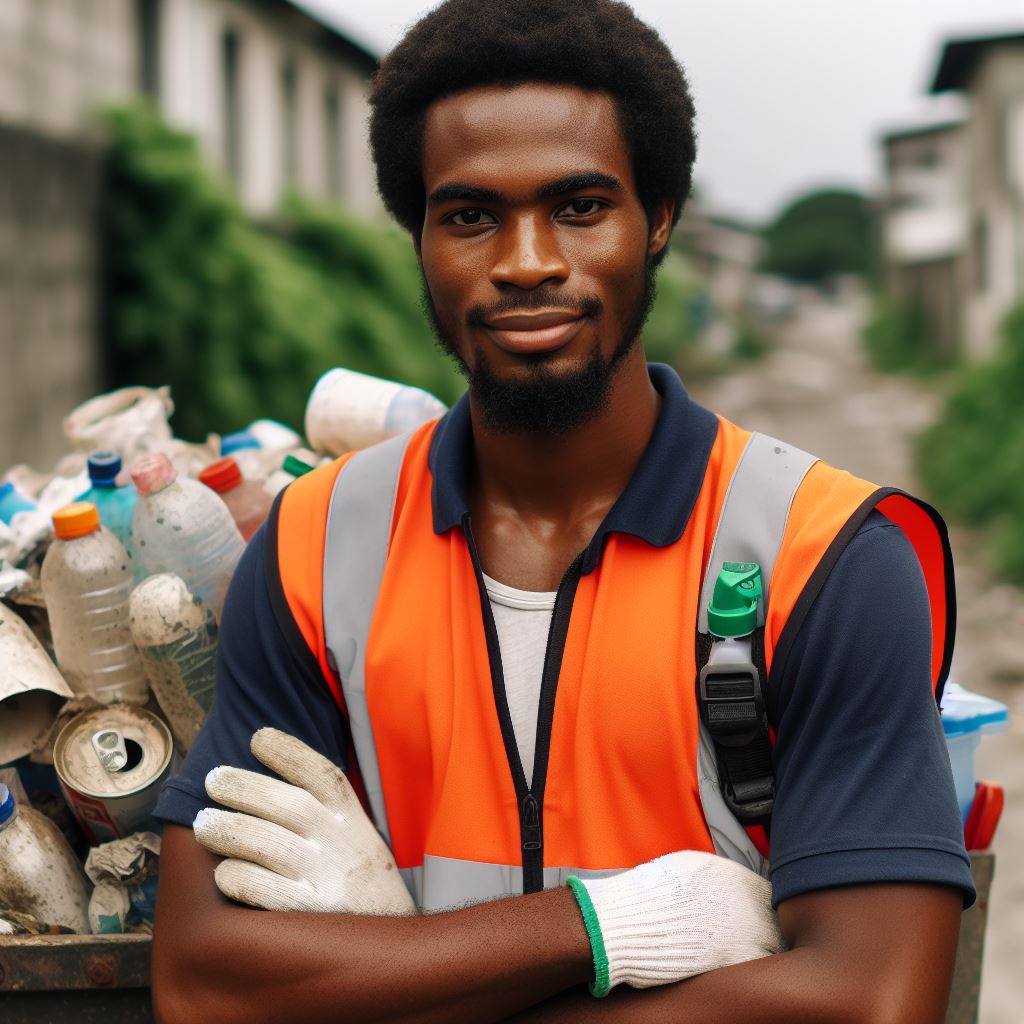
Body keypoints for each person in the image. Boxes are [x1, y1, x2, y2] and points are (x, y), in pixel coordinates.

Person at [150, 2, 976, 1021]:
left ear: (660, 215)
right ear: (419, 237)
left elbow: (869, 999)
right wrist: (608, 924)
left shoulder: (829, 554)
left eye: (580, 206)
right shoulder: (316, 543)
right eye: (468, 216)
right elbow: (202, 983)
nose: (528, 259)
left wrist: (396, 972)